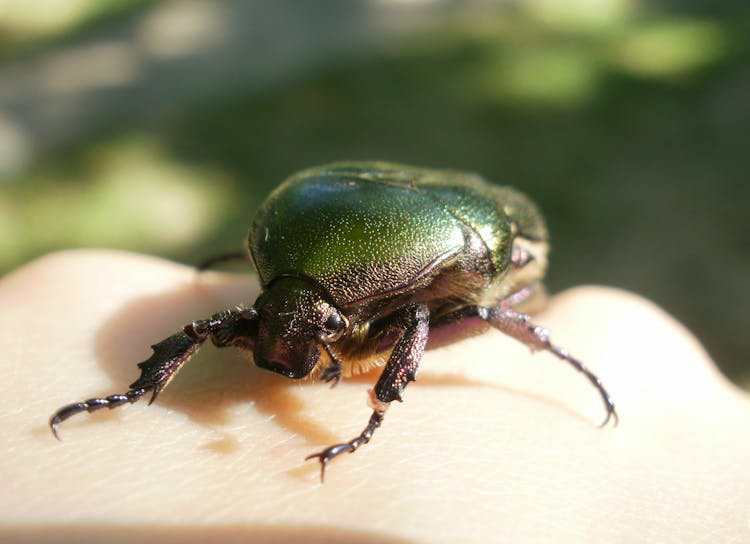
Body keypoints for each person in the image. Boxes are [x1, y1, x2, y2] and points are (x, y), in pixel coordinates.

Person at [1, 250, 748, 543]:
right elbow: (206, 326)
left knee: (475, 310)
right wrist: (131, 393)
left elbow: (426, 311)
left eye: (310, 331)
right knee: (207, 324)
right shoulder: (272, 302)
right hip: (339, 233)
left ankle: (405, 400)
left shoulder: (398, 313)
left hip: (449, 250)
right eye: (268, 326)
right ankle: (138, 396)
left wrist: (376, 405)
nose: (278, 350)